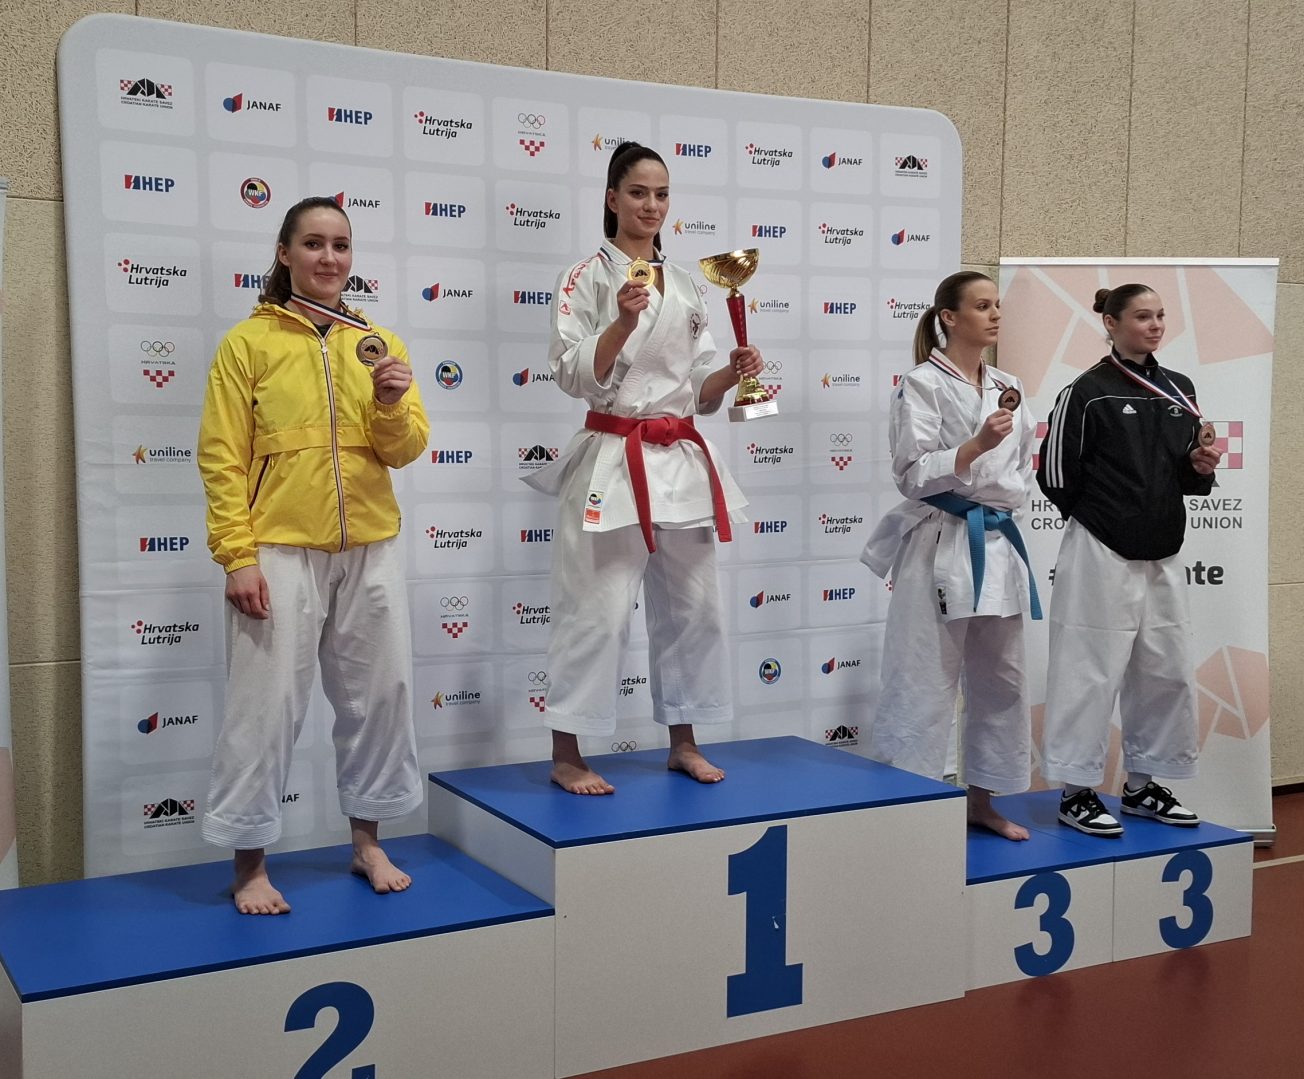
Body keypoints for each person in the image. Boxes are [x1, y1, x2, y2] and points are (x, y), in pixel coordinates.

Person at [197, 196, 429, 912]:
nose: (330, 258)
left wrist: (390, 404)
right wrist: (238, 555)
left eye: (341, 245)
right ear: (285, 252)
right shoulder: (249, 343)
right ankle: (249, 864)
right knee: (264, 706)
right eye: (315, 243)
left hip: (371, 545)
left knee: (380, 696)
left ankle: (367, 842)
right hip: (279, 546)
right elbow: (221, 456)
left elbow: (405, 448)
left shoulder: (378, 343)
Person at [524, 142, 763, 795]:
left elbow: (699, 389)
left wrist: (731, 373)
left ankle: (684, 742)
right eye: (637, 192)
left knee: (694, 607)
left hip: (680, 455)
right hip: (614, 455)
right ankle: (567, 752)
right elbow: (572, 373)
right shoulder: (585, 277)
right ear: (612, 198)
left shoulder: (686, 283)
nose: (651, 205)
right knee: (595, 611)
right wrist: (621, 325)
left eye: (661, 194)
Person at [861, 271, 1040, 841]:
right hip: (940, 538)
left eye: (997, 305)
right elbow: (911, 472)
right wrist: (976, 446)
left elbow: (1023, 465)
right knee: (922, 678)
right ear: (949, 317)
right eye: (982, 306)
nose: (995, 315)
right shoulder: (921, 384)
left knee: (1003, 680)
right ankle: (909, 810)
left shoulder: (1008, 384)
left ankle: (981, 801)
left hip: (998, 542)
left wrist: (999, 484)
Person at [1038, 283, 1220, 836]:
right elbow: (1055, 473)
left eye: (1160, 315)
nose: (1155, 325)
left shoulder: (1179, 389)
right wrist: (1106, 517)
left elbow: (1184, 472)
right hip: (1101, 548)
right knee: (1089, 670)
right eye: (1142, 316)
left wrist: (1199, 467)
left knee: (1166, 669)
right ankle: (1075, 792)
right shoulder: (1087, 391)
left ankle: (1143, 785)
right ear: (1111, 324)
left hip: (1163, 548)